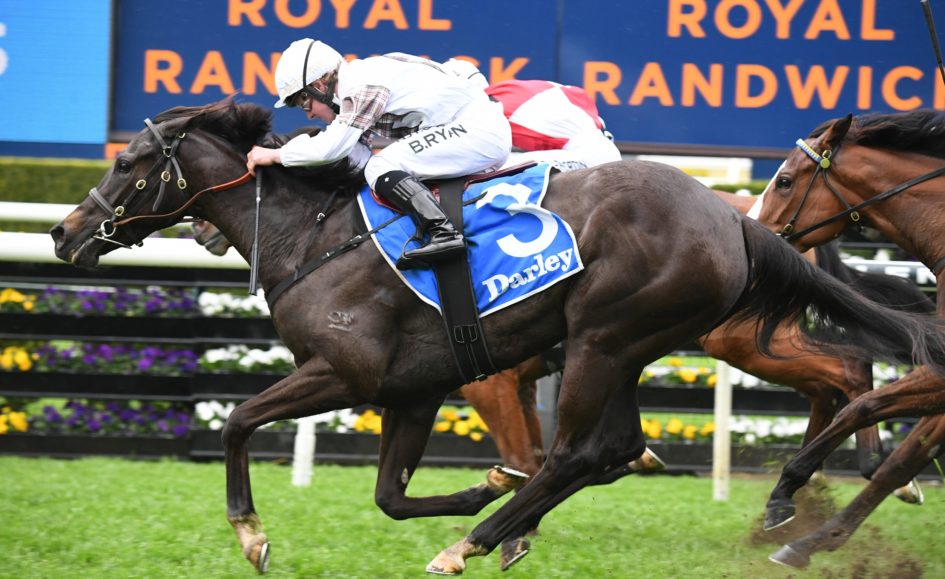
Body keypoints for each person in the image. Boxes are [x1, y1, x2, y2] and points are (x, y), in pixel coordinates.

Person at [246, 39, 512, 269]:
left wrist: (275, 155)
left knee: (382, 165)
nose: (309, 115)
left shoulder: (361, 85)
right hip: (471, 131)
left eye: (304, 103)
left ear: (320, 85)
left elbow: (332, 148)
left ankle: (444, 234)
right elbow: (358, 160)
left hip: (476, 131)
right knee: (379, 168)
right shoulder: (359, 84)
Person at [442, 60, 621, 170]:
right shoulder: (519, 87)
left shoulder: (487, 106)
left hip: (588, 159)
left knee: (483, 171)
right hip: (609, 153)